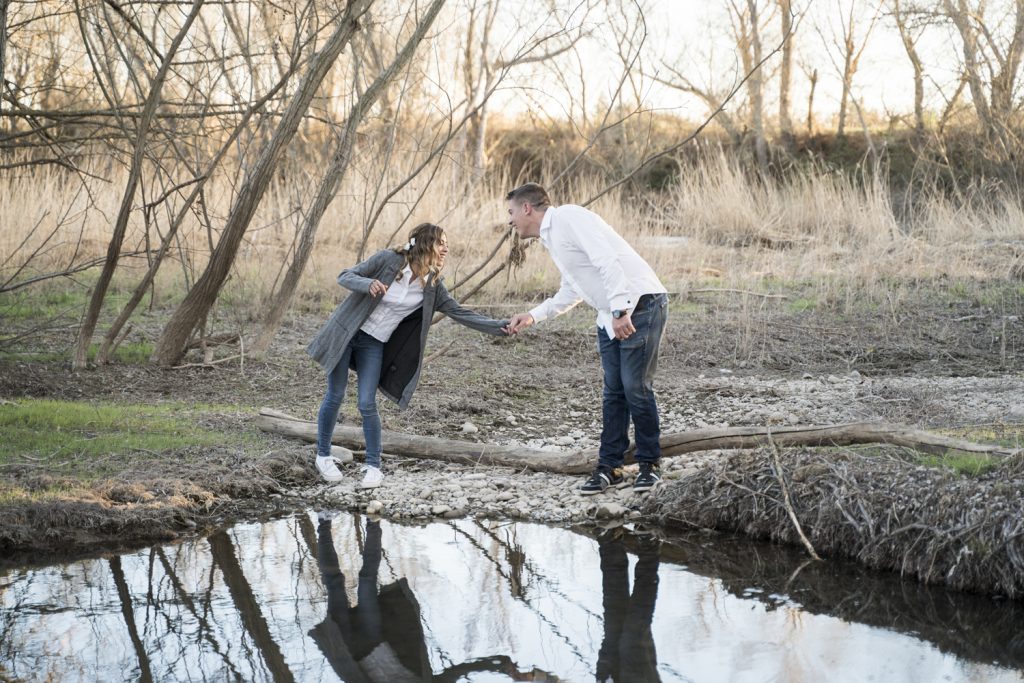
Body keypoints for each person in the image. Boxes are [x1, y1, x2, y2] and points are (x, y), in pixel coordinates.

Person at [308, 223, 509, 488]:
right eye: (441, 243)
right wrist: (368, 283)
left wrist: (501, 327)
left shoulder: (433, 285)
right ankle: (323, 455)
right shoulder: (389, 260)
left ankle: (373, 466)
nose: (446, 248)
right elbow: (345, 275)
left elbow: (460, 313)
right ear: (425, 244)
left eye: (446, 244)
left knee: (367, 403)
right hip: (346, 333)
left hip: (374, 343)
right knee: (335, 394)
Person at [504, 183, 669, 494]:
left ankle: (650, 465)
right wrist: (532, 315)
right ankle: (611, 468)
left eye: (512, 212)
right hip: (612, 314)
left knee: (635, 386)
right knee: (614, 393)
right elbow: (572, 290)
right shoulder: (552, 238)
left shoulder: (568, 217)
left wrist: (620, 309)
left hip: (641, 304)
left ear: (527, 208)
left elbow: (607, 260)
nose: (510, 221)